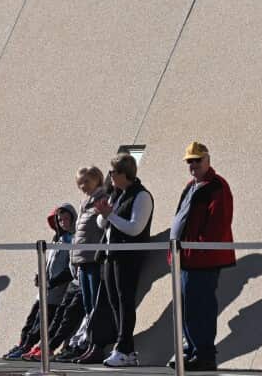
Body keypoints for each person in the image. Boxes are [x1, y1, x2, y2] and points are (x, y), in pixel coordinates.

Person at [168, 142, 234, 371]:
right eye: (190, 161)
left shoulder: (217, 186)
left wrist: (197, 250)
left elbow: (218, 224)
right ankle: (191, 349)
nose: (193, 164)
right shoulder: (192, 185)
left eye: (197, 160)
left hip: (201, 260)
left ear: (208, 160)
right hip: (185, 258)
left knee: (200, 307)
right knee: (188, 306)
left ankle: (204, 354)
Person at [95, 153, 153, 367]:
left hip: (129, 257)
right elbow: (102, 223)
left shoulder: (142, 196)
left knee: (125, 301)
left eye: (112, 172)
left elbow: (135, 228)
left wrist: (110, 215)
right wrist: (105, 212)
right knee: (114, 302)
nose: (109, 176)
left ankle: (124, 348)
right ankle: (126, 350)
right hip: (111, 256)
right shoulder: (118, 193)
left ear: (124, 173)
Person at [3, 203, 78, 360]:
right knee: (31, 319)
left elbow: (70, 269)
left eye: (66, 219)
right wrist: (40, 275)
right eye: (60, 220)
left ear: (73, 219)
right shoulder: (56, 240)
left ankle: (30, 346)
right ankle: (23, 344)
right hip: (44, 290)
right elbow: (47, 262)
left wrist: (52, 282)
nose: (63, 222)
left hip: (56, 292)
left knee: (42, 323)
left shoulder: (73, 240)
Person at [54, 166, 109, 362]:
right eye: (80, 183)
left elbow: (101, 229)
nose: (83, 186)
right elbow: (79, 235)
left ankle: (93, 344)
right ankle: (87, 343)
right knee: (87, 305)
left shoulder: (103, 199)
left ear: (97, 180)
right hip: (82, 260)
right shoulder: (84, 203)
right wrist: (73, 260)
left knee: (95, 304)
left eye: (86, 182)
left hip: (93, 260)